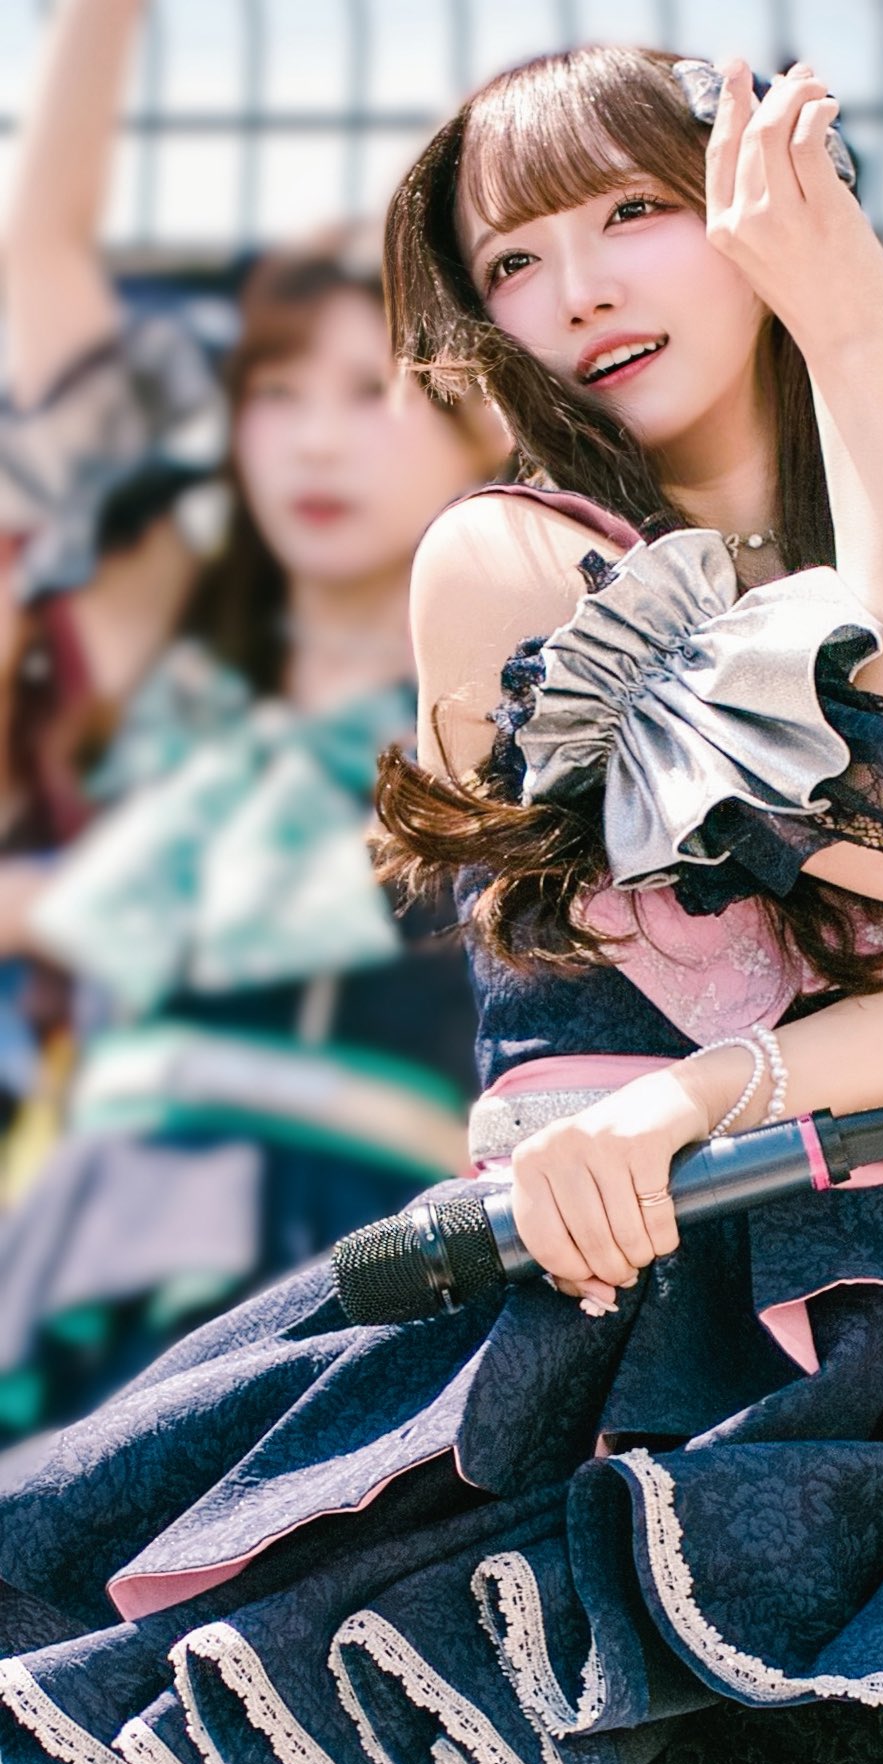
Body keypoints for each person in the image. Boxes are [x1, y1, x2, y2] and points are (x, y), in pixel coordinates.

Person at [0, 47, 883, 1764]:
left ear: (761, 211)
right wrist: (852, 341)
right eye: (513, 260)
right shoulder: (508, 553)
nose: (578, 289)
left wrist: (705, 1090)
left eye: (634, 211)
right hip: (630, 1319)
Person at [0, 0, 506, 1443]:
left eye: (372, 391)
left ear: (480, 423)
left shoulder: (518, 671)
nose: (316, 439)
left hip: (373, 1257)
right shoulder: (176, 632)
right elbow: (42, 268)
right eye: (274, 392)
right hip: (104, 1226)